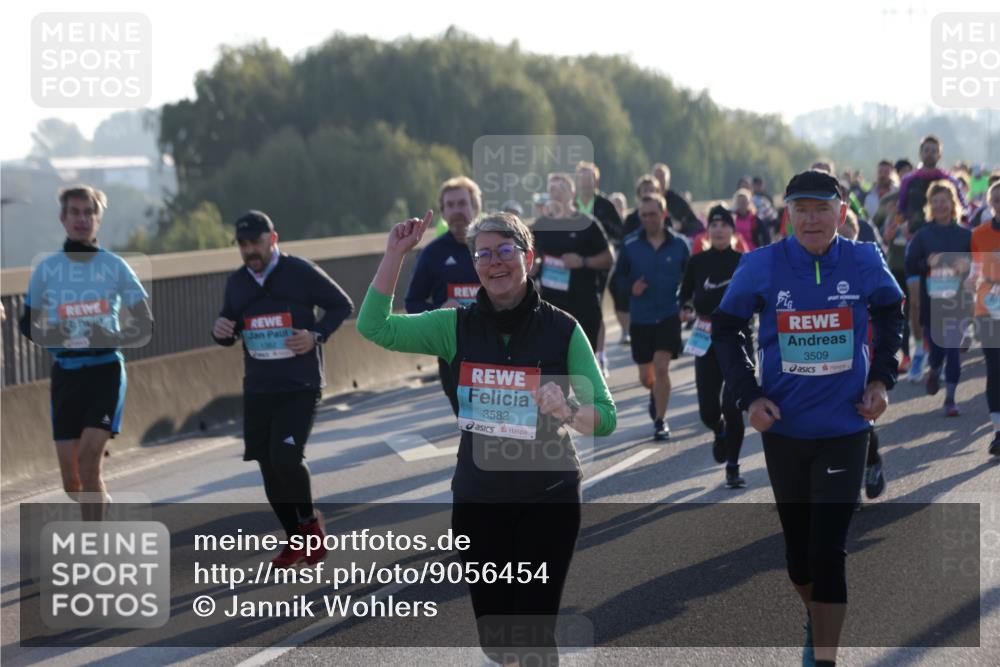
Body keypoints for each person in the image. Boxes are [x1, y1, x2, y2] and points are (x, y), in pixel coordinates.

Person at [357, 209, 616, 664]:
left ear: (528, 257)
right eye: (483, 255)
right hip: (480, 499)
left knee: (534, 635)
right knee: (498, 642)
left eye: (504, 251)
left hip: (548, 496)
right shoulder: (453, 326)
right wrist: (395, 254)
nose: (495, 263)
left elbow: (607, 417)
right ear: (474, 265)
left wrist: (569, 409)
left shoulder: (563, 329)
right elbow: (374, 327)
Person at [712, 170, 904, 667]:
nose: (812, 218)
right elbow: (727, 327)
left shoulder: (863, 259)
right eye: (802, 209)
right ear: (787, 216)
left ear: (842, 213)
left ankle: (825, 658)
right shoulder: (762, 265)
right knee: (800, 559)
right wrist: (749, 397)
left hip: (846, 427)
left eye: (822, 208)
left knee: (828, 550)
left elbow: (891, 311)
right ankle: (815, 618)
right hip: (785, 430)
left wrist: (881, 379)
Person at [212, 210, 354, 567]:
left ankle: (310, 527)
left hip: (299, 384)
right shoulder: (237, 282)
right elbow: (230, 326)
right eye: (243, 245)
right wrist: (221, 332)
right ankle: (294, 538)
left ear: (272, 239)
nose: (249, 251)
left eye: (255, 242)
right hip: (259, 387)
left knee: (286, 458)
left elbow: (342, 304)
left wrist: (316, 335)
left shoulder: (300, 271)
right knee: (266, 464)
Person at [19, 185, 153, 521]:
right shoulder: (46, 270)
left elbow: (143, 323)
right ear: (63, 219)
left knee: (89, 459)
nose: (82, 219)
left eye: (88, 213)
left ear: (98, 219)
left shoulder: (116, 266)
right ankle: (100, 507)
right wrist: (54, 335)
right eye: (75, 212)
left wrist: (110, 335)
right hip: (66, 374)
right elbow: (27, 326)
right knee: (72, 482)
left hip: (105, 371)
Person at [679, 205, 748, 486]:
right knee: (709, 411)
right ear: (708, 231)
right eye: (714, 224)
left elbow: (759, 297)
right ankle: (718, 430)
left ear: (732, 230)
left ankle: (733, 466)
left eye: (724, 224)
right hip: (705, 336)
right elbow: (685, 295)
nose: (719, 229)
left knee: (732, 405)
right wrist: (684, 308)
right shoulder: (697, 262)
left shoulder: (745, 262)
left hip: (737, 337)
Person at [612, 193, 689, 441]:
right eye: (643, 215)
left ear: (663, 214)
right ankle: (653, 391)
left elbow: (691, 280)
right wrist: (630, 287)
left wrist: (687, 305)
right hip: (641, 318)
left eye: (652, 214)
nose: (647, 219)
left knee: (662, 368)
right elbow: (617, 281)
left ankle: (660, 420)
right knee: (647, 377)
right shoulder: (631, 245)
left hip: (668, 315)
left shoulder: (680, 245)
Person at [405, 176, 483, 415]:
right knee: (469, 427)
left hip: (498, 348)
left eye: (462, 203)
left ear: (475, 207)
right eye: (450, 206)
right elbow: (412, 302)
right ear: (443, 212)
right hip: (452, 352)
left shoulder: (494, 244)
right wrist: (437, 311)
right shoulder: (432, 253)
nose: (457, 211)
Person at [895, 136, 968, 382]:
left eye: (933, 150)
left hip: (943, 244)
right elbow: (901, 208)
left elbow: (963, 207)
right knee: (916, 302)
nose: (929, 153)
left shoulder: (949, 180)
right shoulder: (909, 180)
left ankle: (936, 350)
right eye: (925, 149)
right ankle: (919, 351)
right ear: (920, 152)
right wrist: (901, 226)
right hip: (917, 244)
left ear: (939, 153)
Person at [905, 180, 973, 417]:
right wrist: (927, 264)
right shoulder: (923, 235)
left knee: (953, 349)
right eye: (934, 202)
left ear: (952, 204)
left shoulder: (965, 235)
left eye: (943, 201)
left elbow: (978, 266)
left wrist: (967, 265)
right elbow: (910, 263)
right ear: (929, 206)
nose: (939, 206)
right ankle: (934, 369)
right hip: (931, 301)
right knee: (937, 350)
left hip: (957, 302)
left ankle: (950, 399)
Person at [532, 172, 614, 352]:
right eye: (552, 189)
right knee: (554, 359)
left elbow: (609, 258)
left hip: (583, 302)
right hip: (551, 303)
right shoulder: (540, 225)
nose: (557, 193)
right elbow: (530, 256)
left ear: (573, 193)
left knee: (583, 360)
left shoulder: (587, 223)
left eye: (562, 188)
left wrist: (583, 261)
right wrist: (533, 267)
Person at [576, 161, 625, 377]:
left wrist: (603, 236)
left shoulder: (605, 204)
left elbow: (619, 233)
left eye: (588, 177)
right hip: (574, 264)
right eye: (581, 177)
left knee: (595, 306)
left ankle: (600, 355)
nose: (585, 181)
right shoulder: (571, 204)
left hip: (599, 263)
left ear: (596, 180)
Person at [967, 181, 1000, 456]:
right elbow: (974, 269)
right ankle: (998, 431)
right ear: (991, 204)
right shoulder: (979, 233)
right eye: (997, 200)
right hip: (988, 310)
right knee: (995, 369)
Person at [617, 175, 663, 344]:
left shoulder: (667, 223)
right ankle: (627, 328)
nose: (648, 193)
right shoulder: (631, 220)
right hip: (638, 276)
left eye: (652, 190)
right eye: (645, 190)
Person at [652, 162, 703, 237]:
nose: (659, 180)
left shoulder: (678, 201)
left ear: (668, 180)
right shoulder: (648, 203)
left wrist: (681, 225)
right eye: (657, 177)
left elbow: (696, 224)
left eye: (662, 177)